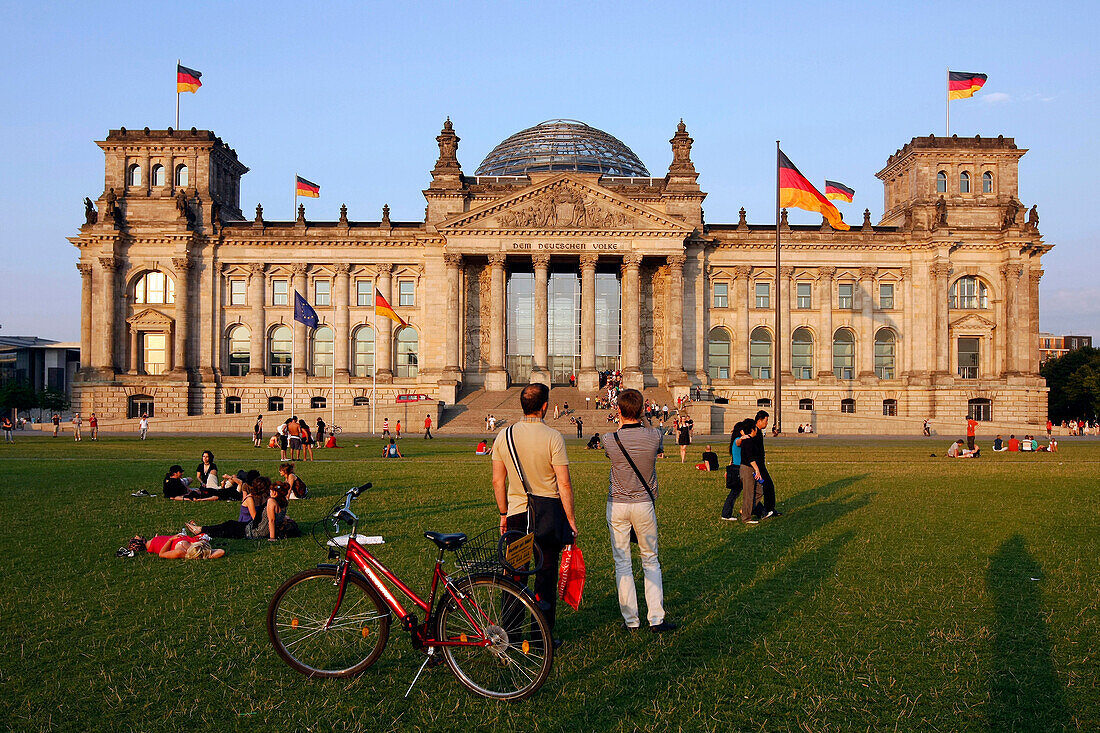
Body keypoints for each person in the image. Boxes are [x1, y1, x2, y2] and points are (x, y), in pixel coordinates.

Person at [492, 383, 578, 639]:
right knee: (546, 576)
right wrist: (571, 519)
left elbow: (498, 481)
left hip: (518, 513)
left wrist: (503, 513)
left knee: (516, 575)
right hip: (549, 514)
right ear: (544, 407)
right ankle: (542, 638)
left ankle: (512, 634)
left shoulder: (503, 436)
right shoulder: (553, 437)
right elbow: (563, 483)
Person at [601, 388, 676, 633]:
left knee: (622, 562)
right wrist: (639, 415)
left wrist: (622, 419)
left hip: (618, 504)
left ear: (618, 411)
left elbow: (622, 431)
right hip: (643, 503)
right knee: (650, 560)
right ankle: (656, 618)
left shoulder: (609, 439)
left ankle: (631, 620)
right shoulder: (655, 436)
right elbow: (646, 427)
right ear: (643, 410)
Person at [187, 475, 282, 540]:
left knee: (228, 527)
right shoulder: (272, 501)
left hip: (251, 528)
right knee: (228, 526)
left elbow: (256, 519)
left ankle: (201, 530)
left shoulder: (268, 500)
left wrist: (272, 537)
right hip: (250, 526)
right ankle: (201, 530)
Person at [745, 410, 780, 519]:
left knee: (765, 487)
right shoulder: (754, 432)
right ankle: (764, 509)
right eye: (766, 420)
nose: (767, 423)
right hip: (757, 466)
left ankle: (767, 509)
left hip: (759, 465)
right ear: (759, 421)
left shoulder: (758, 432)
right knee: (766, 486)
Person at [721, 419, 752, 521]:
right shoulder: (737, 440)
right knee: (742, 492)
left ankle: (726, 513)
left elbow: (732, 458)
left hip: (735, 468)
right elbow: (739, 442)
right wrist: (744, 435)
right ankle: (726, 514)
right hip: (739, 469)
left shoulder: (734, 441)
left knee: (738, 492)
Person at [738, 420, 764, 525]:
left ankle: (746, 510)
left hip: (751, 468)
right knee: (748, 494)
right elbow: (750, 458)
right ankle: (746, 517)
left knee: (759, 491)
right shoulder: (747, 441)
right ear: (752, 430)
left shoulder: (749, 440)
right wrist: (757, 470)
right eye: (755, 429)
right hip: (748, 469)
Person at [120, 535, 224, 560]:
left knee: (203, 536)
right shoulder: (180, 551)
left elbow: (161, 552)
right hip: (175, 541)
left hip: (169, 541)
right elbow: (221, 551)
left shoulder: (182, 549)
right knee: (204, 536)